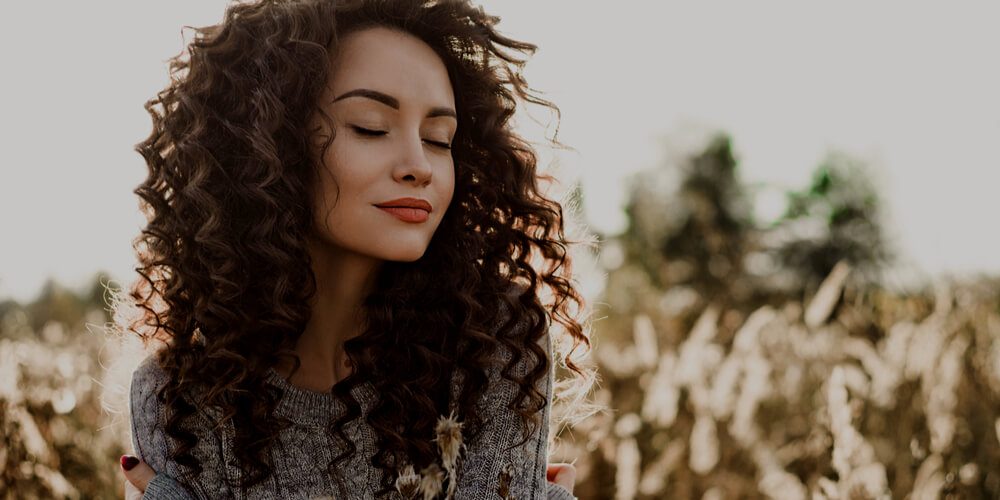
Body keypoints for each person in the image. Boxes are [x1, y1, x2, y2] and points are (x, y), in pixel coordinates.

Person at [115, 0, 594, 498]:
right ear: (269, 148)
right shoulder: (182, 397)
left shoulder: (494, 346)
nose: (419, 165)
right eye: (371, 127)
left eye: (438, 138)